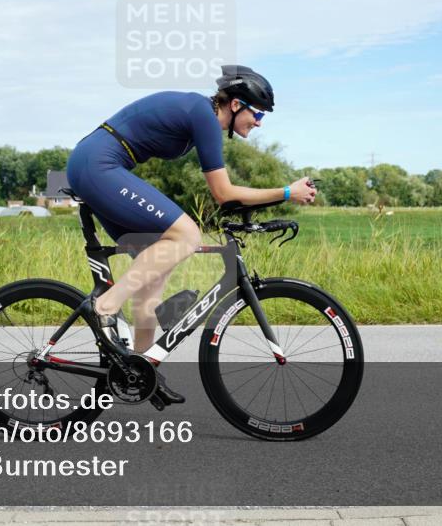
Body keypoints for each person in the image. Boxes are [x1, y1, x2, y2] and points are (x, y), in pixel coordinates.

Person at [65, 65, 317, 406]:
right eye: (257, 113)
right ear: (235, 104)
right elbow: (224, 193)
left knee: (154, 262)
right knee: (186, 235)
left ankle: (142, 365)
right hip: (98, 164)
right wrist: (288, 192)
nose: (259, 122)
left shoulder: (202, 117)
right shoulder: (204, 114)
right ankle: (105, 306)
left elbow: (223, 194)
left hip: (101, 164)